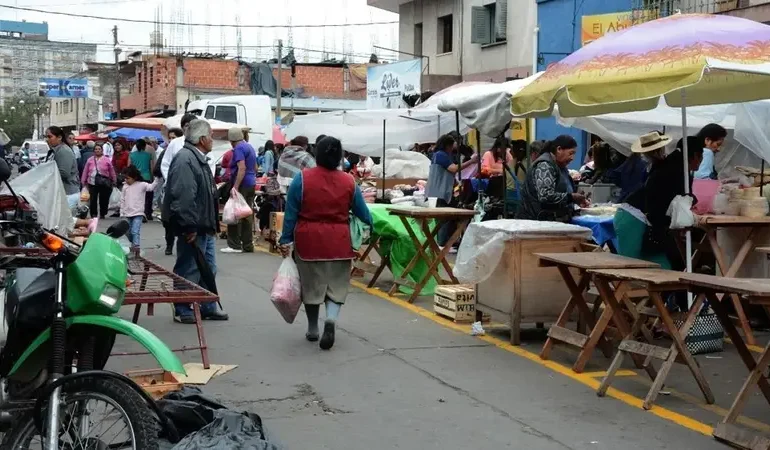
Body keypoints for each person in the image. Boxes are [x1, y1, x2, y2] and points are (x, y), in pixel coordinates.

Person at [278, 136, 372, 350]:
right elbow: (363, 213)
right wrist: (371, 226)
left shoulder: (302, 179)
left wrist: (285, 240)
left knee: (311, 286)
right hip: (339, 241)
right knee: (336, 286)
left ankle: (313, 328)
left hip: (308, 241)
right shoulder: (349, 181)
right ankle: (330, 320)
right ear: (339, 157)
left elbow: (291, 214)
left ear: (316, 155)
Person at [162, 119, 228, 323]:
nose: (212, 140)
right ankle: (183, 308)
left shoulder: (197, 158)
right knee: (188, 267)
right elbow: (183, 196)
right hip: (193, 225)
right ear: (201, 139)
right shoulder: (186, 159)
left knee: (207, 267)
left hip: (203, 225)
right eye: (210, 137)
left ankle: (206, 305)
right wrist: (188, 226)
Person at [616, 132, 704, 274]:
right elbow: (668, 201)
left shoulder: (668, 164)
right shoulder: (673, 167)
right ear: (695, 155)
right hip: (635, 218)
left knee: (662, 266)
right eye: (701, 157)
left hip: (633, 214)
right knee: (638, 269)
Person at [516, 135, 587, 222]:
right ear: (559, 149)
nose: (572, 158)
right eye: (571, 153)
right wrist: (571, 197)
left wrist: (575, 199)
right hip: (536, 223)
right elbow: (545, 196)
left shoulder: (560, 165)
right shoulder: (545, 165)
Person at [425, 134, 476, 250]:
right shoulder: (441, 155)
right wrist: (471, 162)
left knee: (448, 217)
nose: (455, 146)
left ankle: (449, 241)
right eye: (453, 144)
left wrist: (455, 184)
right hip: (440, 191)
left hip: (441, 191)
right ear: (447, 145)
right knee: (445, 218)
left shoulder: (439, 155)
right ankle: (443, 243)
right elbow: (453, 169)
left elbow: (447, 173)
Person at [222, 127, 257, 254]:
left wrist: (235, 186)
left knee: (234, 213)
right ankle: (248, 245)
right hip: (251, 183)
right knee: (246, 213)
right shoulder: (249, 147)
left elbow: (241, 168)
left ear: (231, 140)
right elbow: (255, 167)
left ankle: (234, 244)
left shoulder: (238, 149)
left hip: (242, 184)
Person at [158, 127, 184, 255]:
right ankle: (169, 244)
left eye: (174, 138)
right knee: (168, 220)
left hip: (182, 190)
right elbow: (158, 168)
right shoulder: (165, 153)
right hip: (168, 189)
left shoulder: (185, 152)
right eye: (170, 138)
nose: (171, 140)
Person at [120, 165, 159, 250]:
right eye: (125, 178)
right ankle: (133, 243)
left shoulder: (142, 185)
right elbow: (122, 199)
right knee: (128, 232)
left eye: (128, 178)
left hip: (138, 213)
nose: (126, 180)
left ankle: (136, 247)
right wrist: (121, 212)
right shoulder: (125, 187)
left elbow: (151, 187)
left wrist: (157, 179)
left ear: (134, 177)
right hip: (127, 213)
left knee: (135, 231)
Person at [44, 126, 80, 208]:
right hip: (60, 193)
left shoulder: (63, 151)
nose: (47, 139)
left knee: (66, 220)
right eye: (46, 137)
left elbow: (64, 173)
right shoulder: (55, 150)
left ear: (59, 137)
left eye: (50, 136)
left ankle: (90, 221)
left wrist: (45, 175)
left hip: (67, 194)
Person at [80, 143, 117, 219]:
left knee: (104, 199)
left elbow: (111, 170)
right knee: (93, 199)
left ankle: (103, 213)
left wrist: (114, 179)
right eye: (96, 149)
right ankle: (93, 214)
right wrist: (83, 181)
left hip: (104, 182)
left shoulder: (106, 160)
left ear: (102, 151)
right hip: (92, 182)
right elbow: (85, 171)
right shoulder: (90, 160)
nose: (97, 150)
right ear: (94, 150)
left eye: (99, 149)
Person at [160, 114, 198, 181]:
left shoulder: (201, 142)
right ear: (182, 127)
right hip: (177, 183)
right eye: (187, 125)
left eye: (193, 125)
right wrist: (171, 181)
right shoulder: (175, 143)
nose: (190, 127)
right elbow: (165, 164)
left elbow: (209, 163)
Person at [129, 138, 154, 221]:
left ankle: (137, 214)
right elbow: (151, 167)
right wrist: (152, 177)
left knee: (137, 197)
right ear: (145, 146)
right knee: (148, 197)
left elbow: (129, 167)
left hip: (135, 178)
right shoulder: (148, 155)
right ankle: (147, 214)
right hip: (146, 177)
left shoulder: (131, 155)